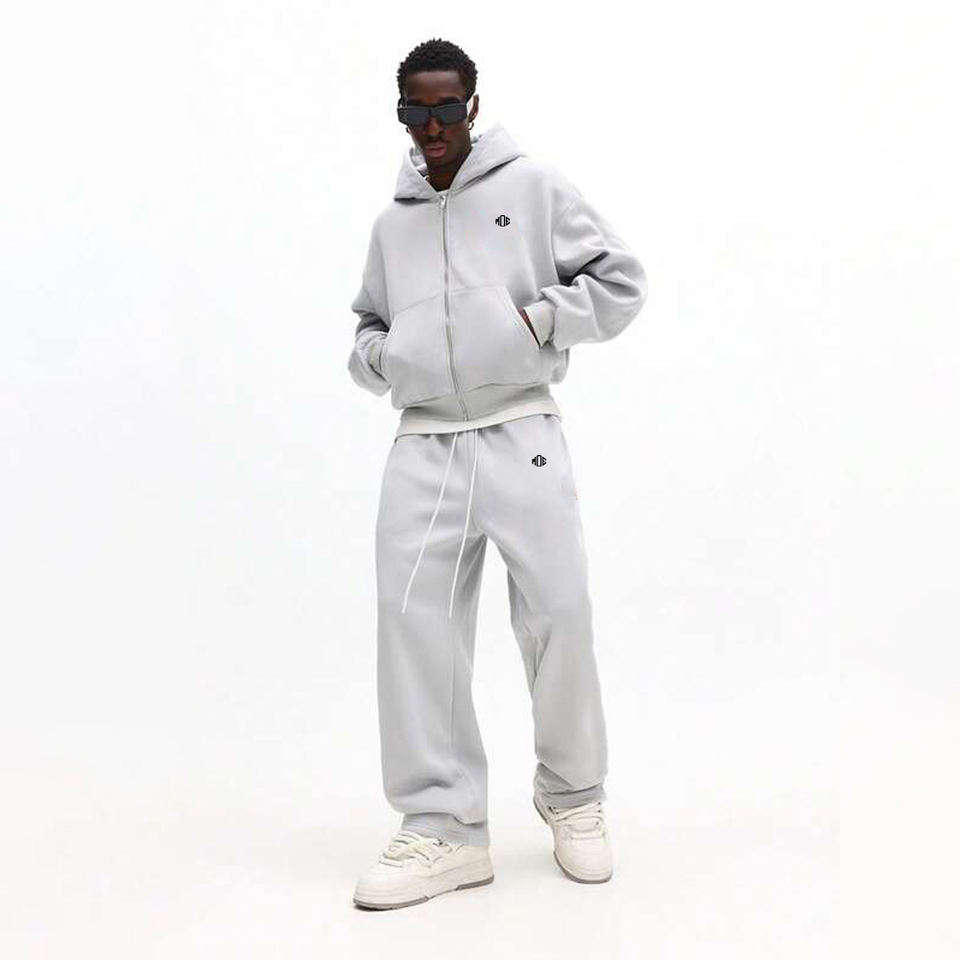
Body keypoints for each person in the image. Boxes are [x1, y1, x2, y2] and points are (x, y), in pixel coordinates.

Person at [347, 38, 647, 910]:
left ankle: (573, 796)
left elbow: (620, 281)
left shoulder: (533, 189)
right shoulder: (393, 224)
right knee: (414, 627)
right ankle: (444, 828)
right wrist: (389, 359)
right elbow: (367, 327)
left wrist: (534, 324)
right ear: (401, 112)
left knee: (560, 611)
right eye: (415, 110)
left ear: (472, 106)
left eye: (446, 107)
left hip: (521, 427)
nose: (432, 125)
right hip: (424, 444)